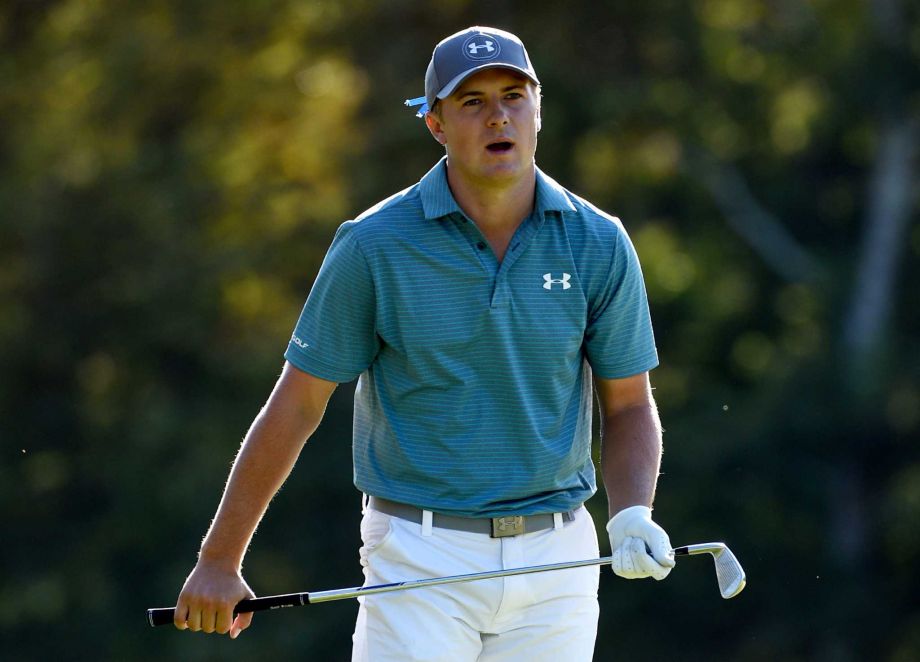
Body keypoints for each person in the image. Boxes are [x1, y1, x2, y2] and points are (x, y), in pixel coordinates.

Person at [172, 26, 675, 661]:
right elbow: (297, 405)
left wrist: (631, 513)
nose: (498, 116)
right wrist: (219, 559)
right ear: (435, 124)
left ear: (538, 109)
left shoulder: (599, 241)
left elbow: (628, 404)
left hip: (559, 559)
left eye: (514, 96)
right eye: (472, 102)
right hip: (421, 551)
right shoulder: (374, 245)